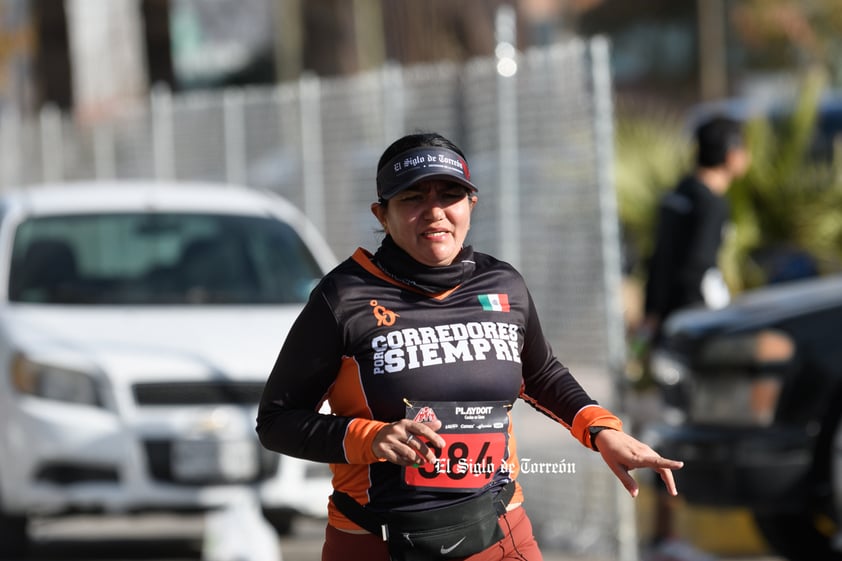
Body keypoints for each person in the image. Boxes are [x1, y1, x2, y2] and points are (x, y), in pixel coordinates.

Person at [257, 131, 683, 561]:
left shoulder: (503, 284)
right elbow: (276, 420)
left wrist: (602, 430)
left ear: (471, 205)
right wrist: (373, 437)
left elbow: (539, 373)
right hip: (376, 540)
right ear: (381, 214)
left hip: (497, 531)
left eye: (450, 195)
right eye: (412, 198)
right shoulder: (343, 297)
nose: (435, 212)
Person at [639, 116, 751, 561]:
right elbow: (696, 268)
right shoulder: (710, 202)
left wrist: (651, 318)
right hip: (692, 330)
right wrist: (709, 320)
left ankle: (665, 533)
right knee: (685, 426)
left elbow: (656, 262)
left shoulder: (677, 194)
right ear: (731, 155)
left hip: (663, 327)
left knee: (664, 424)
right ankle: (671, 536)